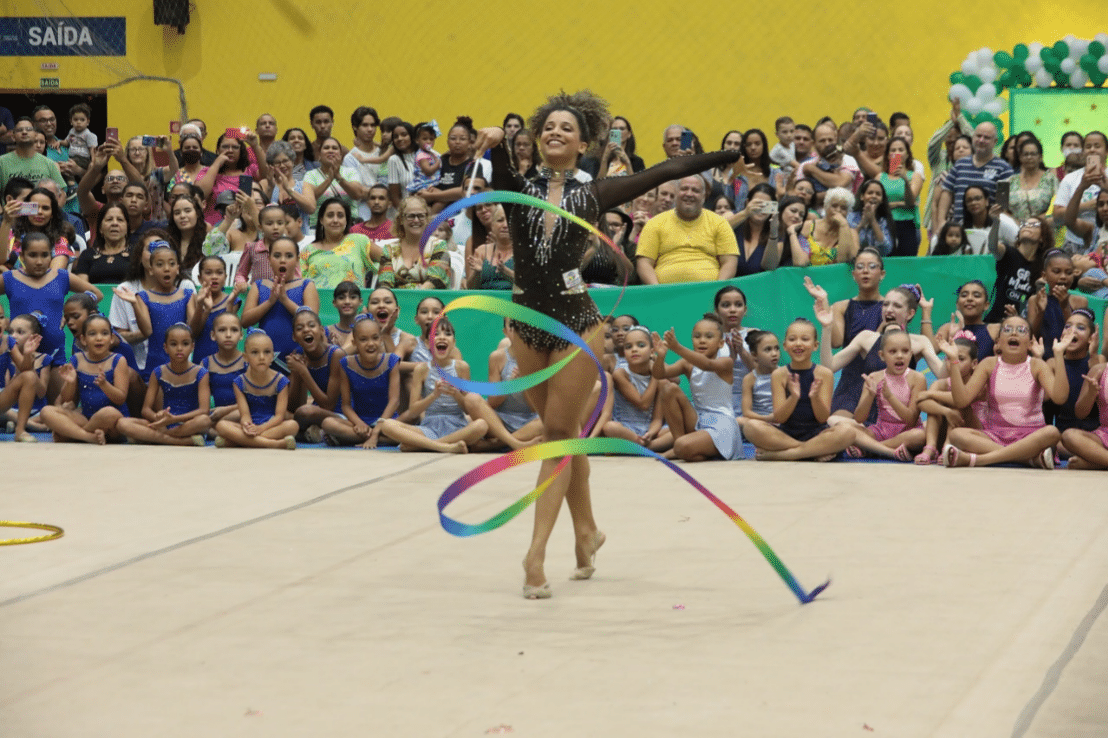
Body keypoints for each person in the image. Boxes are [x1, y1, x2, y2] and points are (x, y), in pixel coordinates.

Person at [473, 89, 742, 599]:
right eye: (547, 126)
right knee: (567, 433)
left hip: (577, 323)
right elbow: (500, 161)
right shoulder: (517, 186)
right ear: (536, 135)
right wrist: (492, 140)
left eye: (566, 128)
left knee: (555, 436)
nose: (555, 132)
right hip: (525, 323)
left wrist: (726, 157)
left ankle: (534, 557)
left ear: (583, 143)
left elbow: (665, 171)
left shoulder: (592, 193)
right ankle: (587, 532)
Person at [938, 317, 1068, 468]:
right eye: (1007, 329)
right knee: (957, 435)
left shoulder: (1037, 365)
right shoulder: (988, 364)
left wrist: (1059, 355)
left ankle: (978, 460)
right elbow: (962, 401)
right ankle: (1028, 459)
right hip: (995, 435)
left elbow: (1059, 398)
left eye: (1021, 330)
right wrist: (954, 360)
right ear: (998, 341)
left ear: (1030, 343)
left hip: (1031, 435)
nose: (1014, 333)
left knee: (1051, 432)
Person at [741, 318, 856, 461]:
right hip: (786, 435)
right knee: (750, 427)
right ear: (785, 345)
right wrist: (793, 397)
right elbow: (780, 418)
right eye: (792, 339)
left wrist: (814, 397)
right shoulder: (779, 375)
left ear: (815, 345)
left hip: (817, 433)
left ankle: (786, 455)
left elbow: (822, 418)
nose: (798, 344)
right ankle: (812, 451)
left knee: (848, 431)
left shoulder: (824, 374)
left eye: (805, 339)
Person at [378, 318, 488, 453]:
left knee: (481, 425)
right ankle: (445, 446)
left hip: (458, 426)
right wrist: (434, 395)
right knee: (387, 425)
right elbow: (413, 411)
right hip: (429, 427)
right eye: (436, 334)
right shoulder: (422, 369)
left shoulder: (461, 367)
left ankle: (425, 445)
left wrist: (456, 394)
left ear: (453, 343)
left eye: (447, 334)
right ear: (428, 344)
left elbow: (467, 409)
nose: (442, 337)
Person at [0, 232, 101, 373]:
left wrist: (69, 314)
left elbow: (97, 294)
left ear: (51, 256)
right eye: (33, 255)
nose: (39, 261)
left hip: (55, 353)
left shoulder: (61, 276)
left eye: (45, 255)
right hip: (19, 356)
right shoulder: (10, 278)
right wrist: (3, 320)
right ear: (22, 257)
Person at [651, 316, 742, 461]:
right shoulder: (687, 363)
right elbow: (659, 374)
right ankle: (680, 446)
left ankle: (682, 448)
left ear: (721, 343)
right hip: (698, 419)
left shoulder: (726, 362)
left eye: (709, 336)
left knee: (683, 446)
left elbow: (707, 365)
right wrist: (660, 356)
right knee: (667, 388)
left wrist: (677, 347)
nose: (702, 340)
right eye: (697, 336)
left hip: (723, 425)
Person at [834, 327, 926, 461]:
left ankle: (870, 448)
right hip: (881, 430)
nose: (899, 355)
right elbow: (859, 418)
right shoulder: (875, 377)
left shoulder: (917, 379)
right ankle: (887, 449)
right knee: (843, 427)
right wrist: (870, 396)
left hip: (906, 431)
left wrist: (890, 397)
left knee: (919, 436)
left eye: (905, 351)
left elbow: (911, 419)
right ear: (882, 355)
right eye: (893, 351)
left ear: (911, 354)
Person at [40, 314, 130, 445]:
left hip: (111, 423)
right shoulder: (77, 359)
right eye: (92, 334)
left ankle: (73, 435)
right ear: (83, 339)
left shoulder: (118, 360)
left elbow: (121, 398)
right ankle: (89, 437)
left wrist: (105, 385)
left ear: (111, 338)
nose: (99, 338)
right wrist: (70, 383)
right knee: (46, 411)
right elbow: (67, 399)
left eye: (104, 333)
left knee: (108, 413)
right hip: (85, 418)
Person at [116, 323, 211, 446]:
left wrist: (175, 419)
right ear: (165, 347)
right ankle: (180, 441)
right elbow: (146, 410)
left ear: (192, 346)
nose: (179, 348)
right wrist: (158, 417)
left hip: (189, 423)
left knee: (204, 421)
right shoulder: (158, 372)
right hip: (163, 423)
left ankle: (157, 437)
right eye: (173, 344)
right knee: (122, 423)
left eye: (185, 344)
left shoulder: (201, 373)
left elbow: (204, 410)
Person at [113, 242, 195, 383]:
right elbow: (147, 331)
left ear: (178, 268)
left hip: (183, 363)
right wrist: (134, 304)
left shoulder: (187, 295)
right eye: (159, 264)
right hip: (154, 365)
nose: (166, 269)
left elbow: (194, 328)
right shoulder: (143, 297)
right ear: (150, 270)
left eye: (171, 264)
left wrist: (201, 308)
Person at [636, 175, 739, 284]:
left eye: (695, 190)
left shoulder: (720, 223)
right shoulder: (655, 223)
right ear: (676, 193)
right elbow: (644, 263)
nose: (689, 194)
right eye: (684, 189)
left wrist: (717, 289)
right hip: (665, 294)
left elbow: (729, 262)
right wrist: (658, 290)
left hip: (708, 294)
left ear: (704, 196)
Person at [320, 317, 401, 448]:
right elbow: (346, 406)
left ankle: (374, 438)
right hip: (360, 421)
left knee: (400, 426)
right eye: (363, 339)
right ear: (354, 343)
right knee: (328, 423)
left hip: (387, 421)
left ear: (381, 339)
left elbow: (394, 401)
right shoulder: (346, 364)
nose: (370, 343)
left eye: (375, 338)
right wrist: (359, 423)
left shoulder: (391, 360)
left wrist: (377, 431)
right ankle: (383, 439)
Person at [213, 329, 299, 449]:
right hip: (250, 426)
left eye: (267, 352)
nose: (262, 357)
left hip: (271, 425)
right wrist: (247, 426)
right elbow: (245, 415)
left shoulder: (281, 381)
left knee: (293, 425)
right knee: (221, 425)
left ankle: (237, 442)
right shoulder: (239, 382)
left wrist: (260, 429)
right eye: (255, 352)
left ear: (273, 356)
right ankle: (275, 444)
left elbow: (279, 416)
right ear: (245, 357)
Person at [240, 235, 321, 360]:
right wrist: (270, 302)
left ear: (297, 260)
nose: (283, 260)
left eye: (289, 256)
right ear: (269, 258)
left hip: (299, 358)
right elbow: (245, 321)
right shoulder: (259, 285)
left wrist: (285, 300)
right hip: (266, 359)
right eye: (277, 256)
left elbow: (311, 321)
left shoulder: (307, 285)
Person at [913, 337, 985, 465]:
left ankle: (948, 445)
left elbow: (961, 400)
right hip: (945, 430)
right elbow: (921, 401)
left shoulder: (979, 384)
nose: (953, 362)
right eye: (949, 358)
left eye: (960, 359)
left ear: (974, 364)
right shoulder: (942, 384)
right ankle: (931, 447)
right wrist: (946, 412)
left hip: (973, 433)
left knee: (959, 404)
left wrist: (931, 393)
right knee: (937, 407)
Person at [934, 122, 1013, 235]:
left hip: (989, 230)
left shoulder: (1004, 169)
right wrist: (941, 221)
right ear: (973, 138)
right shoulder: (960, 164)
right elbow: (947, 192)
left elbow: (1004, 206)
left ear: (995, 142)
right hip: (959, 230)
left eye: (986, 137)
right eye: (978, 136)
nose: (981, 140)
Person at [601, 324, 671, 452]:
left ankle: (642, 447)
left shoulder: (661, 382)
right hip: (627, 427)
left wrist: (651, 432)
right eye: (628, 347)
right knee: (610, 427)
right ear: (624, 353)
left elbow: (657, 419)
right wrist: (656, 373)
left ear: (651, 351)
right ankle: (644, 445)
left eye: (641, 345)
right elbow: (643, 403)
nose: (634, 350)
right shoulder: (620, 373)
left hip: (651, 428)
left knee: (674, 432)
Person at [286, 307, 343, 440]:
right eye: (300, 328)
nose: (306, 330)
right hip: (316, 413)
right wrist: (296, 373)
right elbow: (294, 407)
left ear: (322, 330)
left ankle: (310, 434)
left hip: (340, 415)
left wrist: (303, 372)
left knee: (305, 412)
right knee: (281, 413)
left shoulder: (335, 355)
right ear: (294, 337)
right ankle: (315, 434)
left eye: (311, 325)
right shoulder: (299, 355)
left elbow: (329, 405)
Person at [299, 197, 379, 289]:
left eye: (340, 216)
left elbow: (389, 259)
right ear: (321, 220)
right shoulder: (307, 251)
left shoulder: (359, 241)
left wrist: (383, 285)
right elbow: (300, 284)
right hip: (319, 301)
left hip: (353, 301)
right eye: (330, 215)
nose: (335, 220)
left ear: (346, 220)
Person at [984, 217, 1053, 322]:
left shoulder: (1042, 268)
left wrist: (1018, 318)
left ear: (1042, 238)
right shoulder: (1008, 252)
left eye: (1034, 225)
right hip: (993, 320)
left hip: (1020, 325)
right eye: (1024, 224)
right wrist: (996, 222)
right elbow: (992, 246)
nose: (1027, 226)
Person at [376, 195, 450, 290]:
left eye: (421, 216)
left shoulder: (439, 245)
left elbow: (436, 280)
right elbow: (385, 283)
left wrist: (413, 299)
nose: (416, 220)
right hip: (396, 301)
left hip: (430, 300)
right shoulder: (389, 249)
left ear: (427, 219)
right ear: (401, 220)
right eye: (411, 216)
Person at [1053, 131, 1107, 254]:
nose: (1092, 150)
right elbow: (1057, 216)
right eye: (1088, 147)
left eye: (1097, 146)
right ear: (1083, 151)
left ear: (1106, 151)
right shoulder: (1070, 178)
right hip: (1075, 241)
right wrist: (1082, 190)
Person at [0, 187, 76, 270]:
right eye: (35, 207)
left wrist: (6, 272)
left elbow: (54, 276)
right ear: (26, 209)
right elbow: (1, 260)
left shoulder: (60, 241)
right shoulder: (12, 234)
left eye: (45, 208)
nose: (39, 212)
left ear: (52, 214)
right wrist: (6, 221)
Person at [189, 255, 244, 363]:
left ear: (225, 277)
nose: (214, 277)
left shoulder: (232, 300)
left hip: (225, 361)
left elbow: (229, 331)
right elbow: (193, 333)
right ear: (200, 278)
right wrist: (204, 308)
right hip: (200, 360)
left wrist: (229, 304)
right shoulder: (194, 299)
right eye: (208, 273)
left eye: (219, 273)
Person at [1061, 345, 1108, 469]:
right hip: (1104, 437)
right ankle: (1099, 462)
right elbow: (1080, 413)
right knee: (1068, 436)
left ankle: (1095, 463)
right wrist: (1091, 393)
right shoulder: (1099, 371)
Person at [303, 136, 365, 228]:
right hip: (318, 226)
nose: (330, 151)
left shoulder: (351, 172)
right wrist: (329, 180)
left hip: (349, 225)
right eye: (326, 148)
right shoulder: (310, 175)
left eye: (334, 148)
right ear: (319, 154)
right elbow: (309, 200)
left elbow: (357, 194)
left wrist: (339, 177)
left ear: (340, 155)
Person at [927, 280, 999, 357]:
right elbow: (928, 351)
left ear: (986, 305)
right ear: (957, 304)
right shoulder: (948, 329)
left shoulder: (995, 330)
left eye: (976, 295)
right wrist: (926, 310)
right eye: (964, 295)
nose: (970, 299)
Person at [878, 136, 923, 256]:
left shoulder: (914, 176)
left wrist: (904, 179)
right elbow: (877, 203)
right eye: (893, 150)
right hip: (885, 223)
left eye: (900, 150)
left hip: (907, 223)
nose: (896, 153)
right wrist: (898, 203)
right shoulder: (879, 177)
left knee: (906, 263)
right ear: (887, 155)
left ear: (907, 154)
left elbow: (910, 202)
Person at [201, 312, 246, 425]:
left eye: (234, 330)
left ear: (241, 335)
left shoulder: (248, 362)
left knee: (243, 413)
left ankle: (220, 431)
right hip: (215, 414)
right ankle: (229, 434)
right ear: (213, 335)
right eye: (222, 330)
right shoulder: (206, 363)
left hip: (241, 412)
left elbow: (255, 400)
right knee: (202, 420)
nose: (228, 335)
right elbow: (201, 401)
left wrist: (225, 410)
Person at [0, 117, 66, 193]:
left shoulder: (49, 163)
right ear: (13, 137)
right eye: (19, 130)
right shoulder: (1, 162)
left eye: (28, 129)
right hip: (12, 204)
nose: (24, 132)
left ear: (35, 135)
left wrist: (50, 205)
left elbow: (61, 193)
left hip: (41, 204)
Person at [265, 140, 316, 235]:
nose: (282, 165)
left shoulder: (304, 184)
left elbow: (311, 208)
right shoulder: (265, 183)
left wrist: (289, 190)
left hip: (301, 237)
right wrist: (270, 187)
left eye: (285, 161)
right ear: (272, 166)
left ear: (292, 162)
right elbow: (262, 213)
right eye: (277, 163)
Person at [73, 203, 131, 284]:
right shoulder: (87, 255)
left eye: (120, 220)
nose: (115, 223)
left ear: (127, 227)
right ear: (100, 228)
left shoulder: (137, 254)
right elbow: (81, 289)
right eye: (109, 219)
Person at [1005, 135, 1057, 224]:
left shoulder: (1051, 180)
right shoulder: (1009, 181)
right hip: (1014, 230)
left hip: (1044, 228)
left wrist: (1034, 222)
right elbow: (1002, 211)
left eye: (1033, 154)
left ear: (1040, 156)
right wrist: (1017, 224)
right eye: (1025, 154)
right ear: (1020, 157)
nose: (1029, 157)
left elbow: (1057, 208)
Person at [466, 204, 514, 289]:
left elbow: (531, 286)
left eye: (509, 220)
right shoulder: (481, 251)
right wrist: (477, 273)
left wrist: (507, 272)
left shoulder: (524, 251)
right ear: (492, 225)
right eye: (500, 220)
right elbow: (471, 288)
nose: (505, 225)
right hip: (485, 301)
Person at [738, 329, 778, 428]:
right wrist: (768, 419)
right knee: (738, 421)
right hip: (759, 420)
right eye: (768, 349)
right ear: (754, 355)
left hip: (780, 419)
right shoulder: (749, 379)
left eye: (776, 348)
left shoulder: (784, 373)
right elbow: (746, 412)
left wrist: (778, 417)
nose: (774, 353)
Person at [847, 179, 894, 255]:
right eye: (870, 193)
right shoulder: (850, 217)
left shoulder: (884, 221)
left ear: (882, 200)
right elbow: (846, 244)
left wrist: (872, 220)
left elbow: (885, 249)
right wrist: (862, 224)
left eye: (878, 194)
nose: (874, 196)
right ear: (862, 197)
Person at [326, 281, 362, 351]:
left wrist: (342, 349)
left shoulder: (367, 331)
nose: (347, 302)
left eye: (353, 297)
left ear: (360, 301)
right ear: (334, 303)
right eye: (341, 298)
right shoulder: (327, 332)